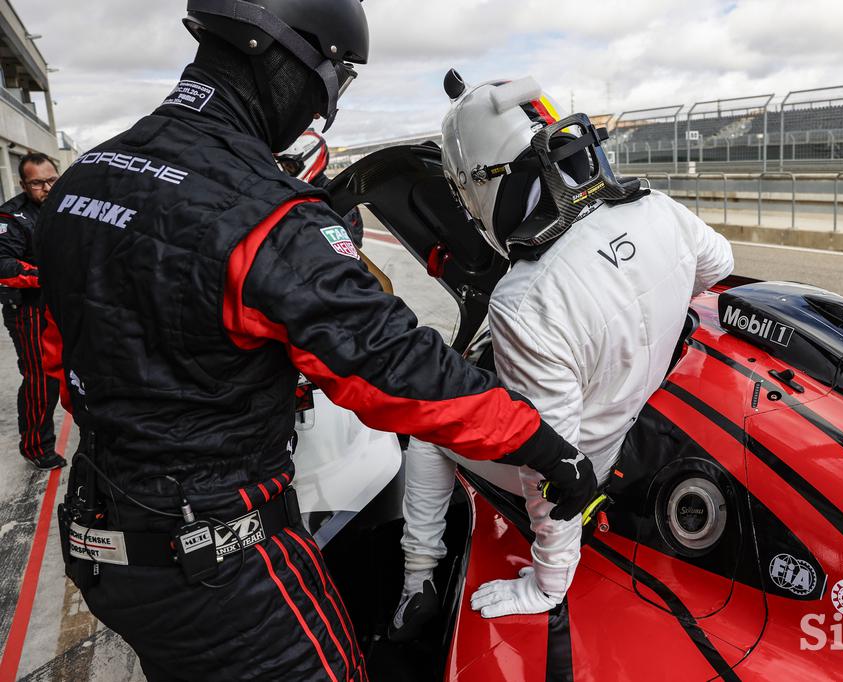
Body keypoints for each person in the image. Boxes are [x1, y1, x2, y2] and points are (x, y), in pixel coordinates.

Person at [34, 3, 596, 681]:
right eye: (335, 80)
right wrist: (539, 444)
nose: (321, 112)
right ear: (280, 55)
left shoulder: (83, 181)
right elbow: (394, 368)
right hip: (221, 566)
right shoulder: (262, 212)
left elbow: (61, 353)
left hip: (103, 548)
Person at [391, 72, 733, 637]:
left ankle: (416, 578)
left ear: (482, 181)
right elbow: (718, 266)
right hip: (640, 414)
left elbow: (551, 464)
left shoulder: (525, 299)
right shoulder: (658, 208)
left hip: (591, 464)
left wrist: (548, 582)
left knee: (431, 428)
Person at [0, 153, 64, 470]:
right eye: (38, 182)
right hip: (28, 309)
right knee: (42, 378)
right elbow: (3, 266)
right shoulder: (10, 217)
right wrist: (49, 274)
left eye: (51, 179)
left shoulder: (68, 203)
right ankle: (37, 446)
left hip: (63, 305)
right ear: (24, 184)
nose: (47, 187)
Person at [276, 129, 392, 294]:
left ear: (309, 159)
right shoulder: (306, 196)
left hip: (339, 284)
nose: (285, 172)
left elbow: (345, 254)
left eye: (289, 166)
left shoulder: (334, 198)